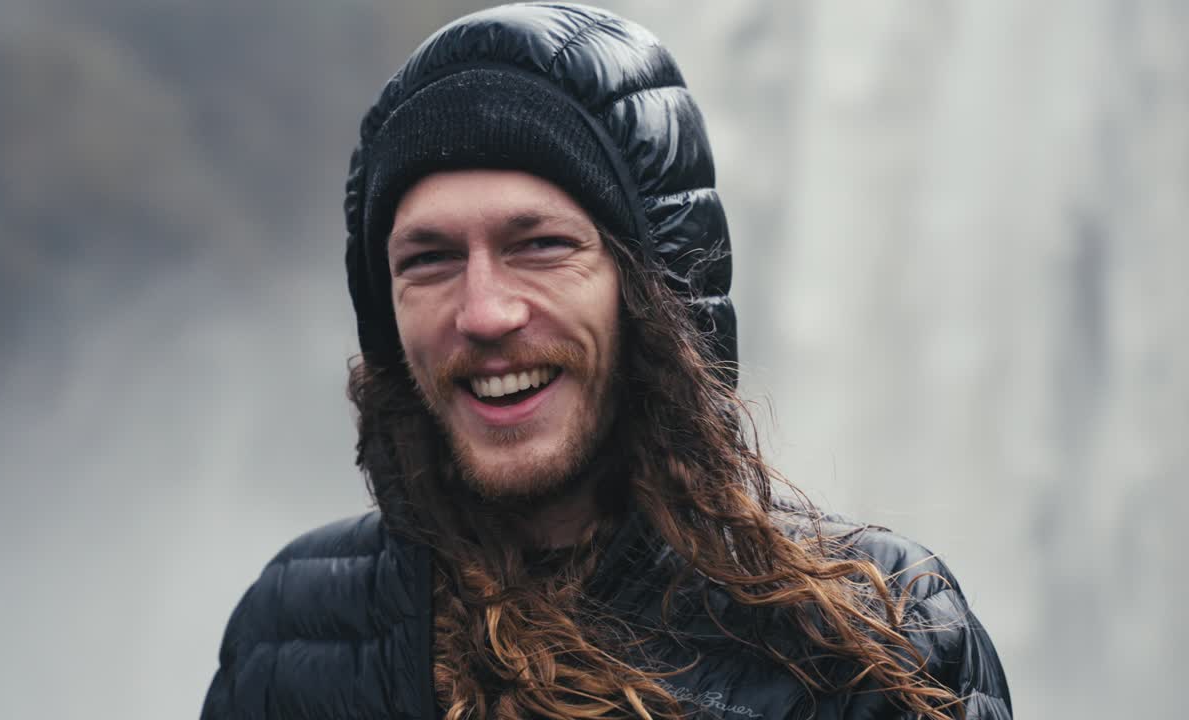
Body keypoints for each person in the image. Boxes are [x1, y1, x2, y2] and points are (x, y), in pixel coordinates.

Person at [200, 4, 1011, 719]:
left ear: (652, 289)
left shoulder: (871, 637)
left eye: (542, 246)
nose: (485, 312)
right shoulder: (290, 635)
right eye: (430, 259)